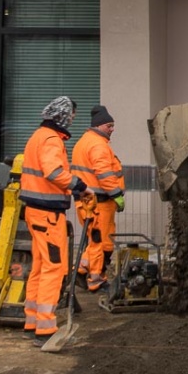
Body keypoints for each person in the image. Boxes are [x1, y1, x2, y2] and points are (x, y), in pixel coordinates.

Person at [20, 96, 86, 346]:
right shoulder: (50, 140)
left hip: (36, 212)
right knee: (54, 267)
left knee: (39, 266)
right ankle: (45, 328)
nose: (72, 120)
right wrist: (78, 185)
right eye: (71, 115)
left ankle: (32, 321)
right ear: (62, 116)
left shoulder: (38, 136)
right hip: (48, 215)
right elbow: (54, 172)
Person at [71, 104, 125, 293]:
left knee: (96, 240)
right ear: (99, 125)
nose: (112, 129)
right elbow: (104, 174)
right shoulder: (97, 145)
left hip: (89, 202)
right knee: (100, 243)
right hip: (98, 202)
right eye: (109, 126)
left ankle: (80, 271)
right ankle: (96, 280)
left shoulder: (85, 142)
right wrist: (117, 194)